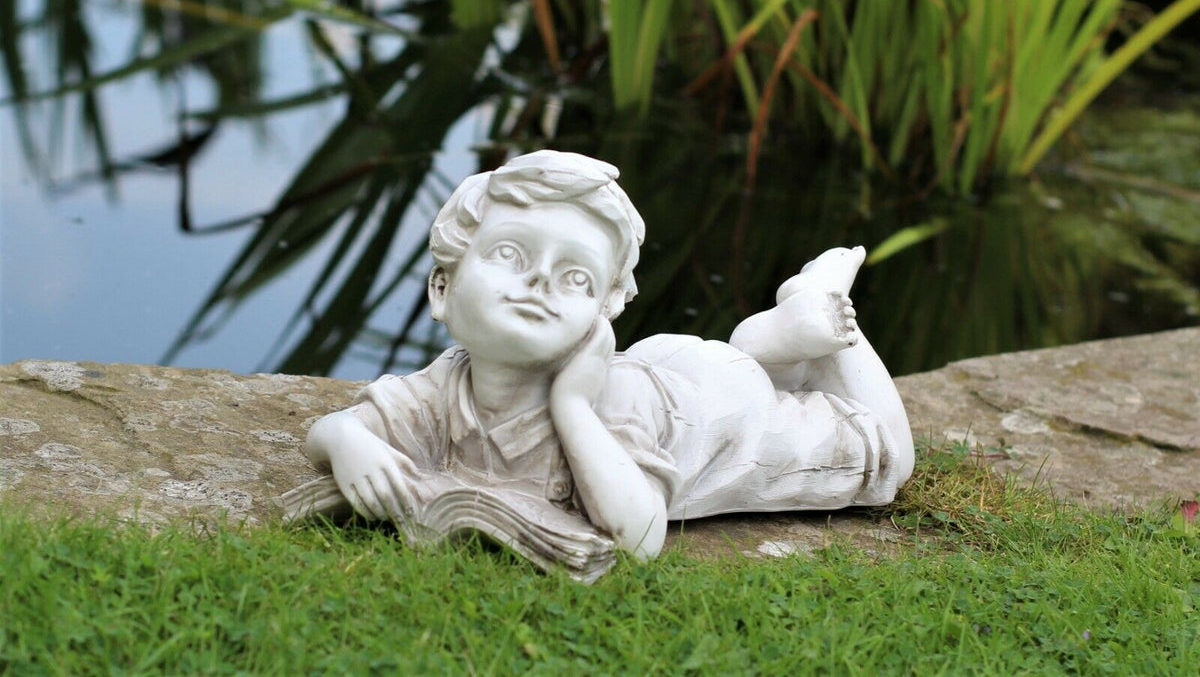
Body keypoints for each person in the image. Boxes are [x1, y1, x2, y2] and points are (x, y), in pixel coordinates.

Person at [303, 151, 915, 559]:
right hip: (670, 368)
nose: (539, 282)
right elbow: (331, 431)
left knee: (886, 463)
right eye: (511, 255)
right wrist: (347, 442)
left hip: (722, 420)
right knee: (739, 364)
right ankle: (767, 346)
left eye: (574, 277)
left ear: (603, 312)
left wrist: (571, 404)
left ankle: (819, 312)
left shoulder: (609, 398)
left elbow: (641, 536)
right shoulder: (446, 384)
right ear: (442, 289)